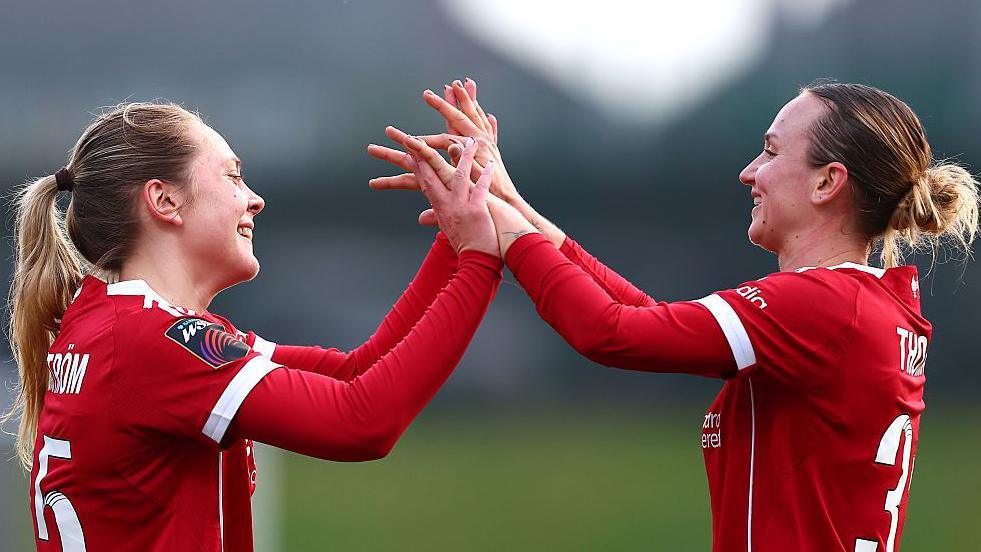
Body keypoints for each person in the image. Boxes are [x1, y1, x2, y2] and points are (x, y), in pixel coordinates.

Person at [370, 79, 979, 551]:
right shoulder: (858, 302)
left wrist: (498, 229)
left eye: (769, 152)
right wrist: (508, 201)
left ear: (827, 183)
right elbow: (644, 318)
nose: (749, 173)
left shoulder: (820, 305)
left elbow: (608, 332)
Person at [7, 102, 502, 551]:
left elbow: (355, 372)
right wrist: (481, 259)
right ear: (164, 201)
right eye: (232, 176)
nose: (255, 199)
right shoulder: (151, 342)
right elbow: (363, 423)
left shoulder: (120, 325)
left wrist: (455, 237)